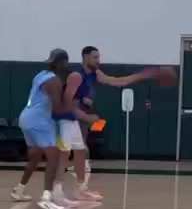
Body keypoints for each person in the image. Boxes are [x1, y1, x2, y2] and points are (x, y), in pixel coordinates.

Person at [64, 46, 159, 184]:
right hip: (71, 114)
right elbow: (68, 102)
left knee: (81, 147)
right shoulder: (77, 75)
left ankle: (80, 177)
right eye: (95, 57)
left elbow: (116, 81)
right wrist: (86, 115)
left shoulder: (95, 73)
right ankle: (71, 181)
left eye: (98, 57)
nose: (98, 60)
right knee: (72, 148)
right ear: (85, 57)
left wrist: (139, 76)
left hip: (83, 112)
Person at [12, 49, 73, 209]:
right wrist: (72, 111)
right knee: (53, 157)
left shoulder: (41, 75)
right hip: (40, 121)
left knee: (35, 156)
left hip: (26, 118)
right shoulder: (55, 81)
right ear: (62, 63)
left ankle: (19, 190)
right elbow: (57, 110)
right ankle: (46, 198)